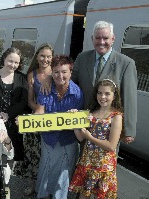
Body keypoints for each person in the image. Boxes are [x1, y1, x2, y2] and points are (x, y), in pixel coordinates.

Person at [72, 20, 137, 144]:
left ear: (113, 39)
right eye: (98, 38)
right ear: (92, 39)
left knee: (105, 161)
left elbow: (129, 98)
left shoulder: (126, 63)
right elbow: (70, 85)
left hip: (109, 128)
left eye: (105, 38)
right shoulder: (82, 57)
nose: (101, 42)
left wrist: (129, 130)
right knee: (84, 160)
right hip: (85, 124)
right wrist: (48, 78)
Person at [34, 55, 83, 199]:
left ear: (70, 72)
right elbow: (39, 111)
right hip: (48, 138)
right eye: (56, 72)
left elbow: (79, 120)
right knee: (46, 169)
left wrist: (76, 116)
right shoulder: (46, 89)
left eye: (64, 72)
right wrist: (28, 121)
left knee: (64, 173)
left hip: (68, 140)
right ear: (52, 73)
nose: (60, 75)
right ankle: (43, 195)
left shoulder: (78, 93)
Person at [69, 79, 123, 199]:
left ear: (114, 96)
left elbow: (111, 146)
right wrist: (74, 121)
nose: (102, 97)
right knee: (83, 195)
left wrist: (90, 137)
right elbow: (80, 137)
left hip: (104, 166)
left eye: (107, 93)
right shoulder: (91, 113)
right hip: (87, 162)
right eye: (99, 93)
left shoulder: (116, 116)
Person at [13, 43, 54, 196]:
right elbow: (29, 100)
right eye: (42, 56)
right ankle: (33, 185)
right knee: (33, 154)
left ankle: (46, 186)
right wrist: (38, 111)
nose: (45, 59)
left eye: (49, 56)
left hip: (52, 121)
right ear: (37, 57)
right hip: (36, 120)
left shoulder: (55, 73)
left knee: (48, 154)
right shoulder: (32, 75)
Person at [0, 47, 28, 161]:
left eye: (16, 62)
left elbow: (23, 102)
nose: (13, 65)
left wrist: (8, 114)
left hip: (14, 124)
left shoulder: (22, 78)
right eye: (10, 61)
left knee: (11, 155)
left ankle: (7, 178)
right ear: (4, 59)